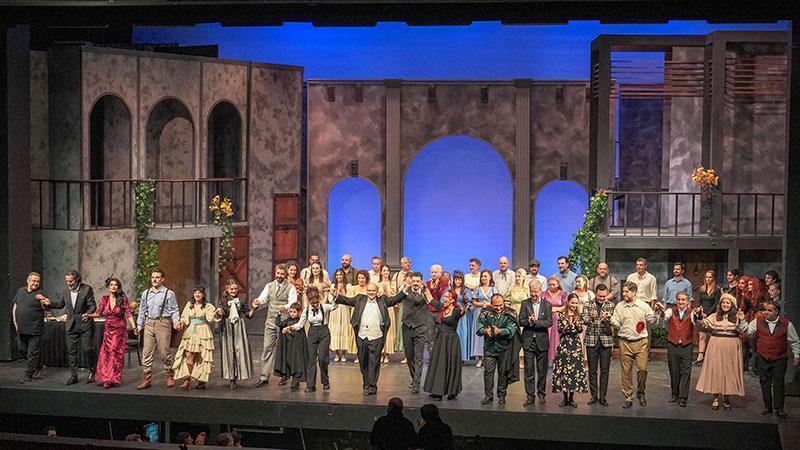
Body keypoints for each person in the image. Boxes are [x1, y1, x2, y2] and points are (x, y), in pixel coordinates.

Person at [334, 282, 407, 395]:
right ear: (366, 291)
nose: (371, 293)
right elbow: (346, 300)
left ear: (377, 292)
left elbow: (394, 299)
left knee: (374, 362)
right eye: (369, 290)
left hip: (376, 336)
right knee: (363, 362)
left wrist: (406, 289)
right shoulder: (360, 299)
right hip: (362, 336)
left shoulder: (383, 300)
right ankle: (366, 383)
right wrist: (336, 296)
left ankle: (372, 386)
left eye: (373, 291)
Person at [739, 301, 799, 419]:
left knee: (778, 383)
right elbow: (748, 331)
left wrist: (796, 355)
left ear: (776, 312)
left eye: (769, 310)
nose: (766, 312)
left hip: (779, 358)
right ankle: (767, 406)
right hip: (763, 356)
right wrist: (742, 320)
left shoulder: (786, 324)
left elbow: (795, 341)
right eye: (765, 310)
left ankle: (779, 408)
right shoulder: (758, 321)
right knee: (764, 382)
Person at [610, 281, 659, 408]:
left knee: (642, 369)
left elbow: (652, 321)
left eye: (626, 291)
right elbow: (616, 322)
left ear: (634, 292)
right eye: (623, 291)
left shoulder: (643, 306)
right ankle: (628, 396)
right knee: (626, 371)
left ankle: (641, 393)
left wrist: (656, 313)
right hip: (625, 342)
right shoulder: (620, 306)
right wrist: (611, 319)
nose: (624, 293)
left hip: (641, 342)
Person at [249, 264, 298, 387]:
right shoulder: (269, 285)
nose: (279, 276)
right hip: (270, 321)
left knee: (283, 350)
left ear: (286, 274)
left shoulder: (290, 287)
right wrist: (258, 301)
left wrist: (285, 307)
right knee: (267, 348)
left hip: (284, 322)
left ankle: (284, 375)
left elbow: (293, 303)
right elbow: (264, 298)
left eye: (282, 274)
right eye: (278, 273)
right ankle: (264, 377)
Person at [695, 293, 745, 410]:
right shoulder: (714, 316)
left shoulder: (737, 316)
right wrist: (699, 317)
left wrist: (742, 320)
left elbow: (743, 330)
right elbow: (703, 325)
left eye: (728, 303)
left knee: (729, 372)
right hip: (716, 345)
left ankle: (727, 398)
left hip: (732, 346)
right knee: (716, 370)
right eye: (723, 302)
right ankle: (715, 398)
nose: (725, 305)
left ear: (732, 305)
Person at [49, 270, 97, 385]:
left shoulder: (87, 289)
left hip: (84, 324)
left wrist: (88, 314)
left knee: (88, 349)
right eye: (67, 281)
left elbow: (92, 306)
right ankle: (73, 375)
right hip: (71, 325)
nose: (69, 284)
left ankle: (93, 371)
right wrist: (49, 303)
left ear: (77, 280)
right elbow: (60, 304)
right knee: (72, 351)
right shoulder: (65, 291)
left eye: (71, 281)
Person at [135, 268, 180, 389]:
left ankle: (169, 375)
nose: (154, 280)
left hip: (163, 323)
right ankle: (147, 378)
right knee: (146, 352)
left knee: (164, 352)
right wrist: (139, 325)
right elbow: (142, 310)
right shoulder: (146, 293)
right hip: (149, 322)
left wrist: (176, 322)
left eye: (157, 277)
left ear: (162, 279)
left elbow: (174, 310)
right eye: (153, 277)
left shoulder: (169, 293)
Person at [88, 277, 136, 388]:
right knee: (106, 353)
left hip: (119, 329)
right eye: (111, 285)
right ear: (108, 287)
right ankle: (106, 377)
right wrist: (89, 315)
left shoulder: (122, 299)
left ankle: (112, 378)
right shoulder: (105, 299)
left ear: (118, 287)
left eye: (116, 285)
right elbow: (98, 313)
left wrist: (134, 327)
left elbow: (128, 313)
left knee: (115, 352)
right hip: (108, 330)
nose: (113, 286)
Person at [174, 287, 223, 390]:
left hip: (203, 331)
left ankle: (201, 380)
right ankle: (187, 380)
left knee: (202, 356)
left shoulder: (208, 306)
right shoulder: (189, 305)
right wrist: (180, 324)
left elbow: (212, 317)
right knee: (189, 355)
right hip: (191, 331)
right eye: (195, 293)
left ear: (203, 295)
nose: (197, 295)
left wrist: (218, 313)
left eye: (199, 293)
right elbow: (184, 318)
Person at [290, 286, 337, 391]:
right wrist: (291, 328)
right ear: (308, 299)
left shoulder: (324, 307)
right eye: (311, 299)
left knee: (322, 359)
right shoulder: (307, 310)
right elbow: (300, 324)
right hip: (312, 334)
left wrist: (334, 296)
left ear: (318, 297)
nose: (314, 301)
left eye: (316, 298)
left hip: (324, 333)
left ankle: (325, 381)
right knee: (311, 360)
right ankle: (311, 385)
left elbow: (335, 306)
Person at [655, 292, 697, 407]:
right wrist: (661, 311)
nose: (681, 302)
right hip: (673, 345)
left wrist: (699, 315)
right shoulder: (671, 311)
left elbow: (696, 321)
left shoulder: (692, 312)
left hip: (686, 345)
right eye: (679, 299)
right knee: (674, 371)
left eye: (683, 300)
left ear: (687, 302)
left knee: (686, 372)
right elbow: (664, 316)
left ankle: (683, 397)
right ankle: (675, 394)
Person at [477, 293, 518, 405]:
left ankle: (502, 395)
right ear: (491, 304)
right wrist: (485, 330)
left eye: (501, 305)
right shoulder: (485, 312)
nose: (499, 308)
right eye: (496, 306)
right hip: (490, 347)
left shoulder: (510, 313)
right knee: (488, 372)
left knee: (503, 372)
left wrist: (501, 331)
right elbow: (479, 328)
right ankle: (488, 396)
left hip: (504, 347)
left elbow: (512, 329)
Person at [423, 290, 463, 400]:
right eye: (444, 297)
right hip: (441, 339)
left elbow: (462, 313)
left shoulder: (456, 310)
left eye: (447, 297)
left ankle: (451, 391)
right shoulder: (442, 308)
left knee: (450, 364)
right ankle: (437, 390)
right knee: (439, 364)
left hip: (451, 341)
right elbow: (430, 299)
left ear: (452, 300)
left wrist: (465, 308)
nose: (444, 299)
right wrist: (424, 288)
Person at [552, 293, 588, 407]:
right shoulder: (562, 314)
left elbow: (580, 330)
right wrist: (573, 326)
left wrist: (575, 326)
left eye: (576, 303)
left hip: (575, 346)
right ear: (568, 302)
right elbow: (561, 329)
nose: (574, 305)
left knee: (574, 371)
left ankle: (571, 398)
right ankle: (564, 398)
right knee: (563, 371)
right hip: (564, 345)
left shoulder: (579, 315)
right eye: (572, 302)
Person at [519, 282, 553, 406]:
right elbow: (520, 321)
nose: (533, 294)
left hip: (542, 341)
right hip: (528, 341)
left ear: (541, 291)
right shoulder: (525, 303)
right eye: (531, 291)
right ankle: (530, 396)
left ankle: (541, 394)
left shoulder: (547, 305)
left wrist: (536, 322)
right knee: (529, 371)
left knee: (542, 371)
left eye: (536, 291)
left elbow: (549, 322)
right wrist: (529, 321)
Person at [581, 284, 615, 406]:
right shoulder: (588, 304)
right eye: (600, 296)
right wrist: (591, 317)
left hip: (606, 340)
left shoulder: (611, 305)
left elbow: (615, 321)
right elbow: (584, 319)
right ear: (595, 293)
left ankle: (603, 397)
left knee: (605, 370)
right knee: (592, 370)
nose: (601, 298)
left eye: (604, 296)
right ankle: (594, 396)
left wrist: (607, 318)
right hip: (592, 340)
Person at [13, 272, 49, 384]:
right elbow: (15, 306)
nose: (36, 283)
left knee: (32, 353)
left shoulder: (41, 293)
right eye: (33, 281)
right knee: (22, 350)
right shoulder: (20, 291)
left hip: (35, 329)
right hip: (21, 328)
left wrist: (44, 300)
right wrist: (15, 322)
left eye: (38, 281)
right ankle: (38, 365)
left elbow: (47, 308)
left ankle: (28, 375)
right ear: (28, 281)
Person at [399, 272, 431, 394]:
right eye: (413, 281)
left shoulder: (425, 293)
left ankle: (416, 384)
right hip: (407, 327)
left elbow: (434, 303)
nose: (416, 283)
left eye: (418, 281)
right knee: (409, 356)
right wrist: (405, 288)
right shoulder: (405, 291)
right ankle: (414, 378)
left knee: (419, 357)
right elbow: (396, 299)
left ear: (421, 282)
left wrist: (426, 291)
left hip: (420, 328)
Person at [219, 279, 253, 390]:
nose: (234, 291)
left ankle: (238, 374)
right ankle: (231, 378)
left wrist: (254, 309)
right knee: (229, 351)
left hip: (239, 326)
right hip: (227, 327)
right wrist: (220, 312)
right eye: (231, 289)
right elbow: (220, 312)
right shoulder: (223, 300)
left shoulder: (241, 300)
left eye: (235, 289)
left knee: (239, 350)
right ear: (227, 289)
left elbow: (247, 314)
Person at [276, 302, 309, 392]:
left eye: (294, 312)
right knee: (288, 361)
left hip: (296, 347)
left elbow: (298, 334)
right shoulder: (288, 320)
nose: (292, 313)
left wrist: (289, 331)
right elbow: (279, 324)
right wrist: (279, 313)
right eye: (291, 311)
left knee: (296, 363)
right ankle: (285, 377)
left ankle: (295, 382)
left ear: (299, 312)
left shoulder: (299, 322)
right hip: (289, 346)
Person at [471, 269, 499, 368]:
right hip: (479, 312)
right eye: (482, 276)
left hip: (490, 313)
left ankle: (489, 357)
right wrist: (481, 304)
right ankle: (480, 358)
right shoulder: (477, 289)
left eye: (485, 276)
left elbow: (497, 301)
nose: (483, 278)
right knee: (479, 334)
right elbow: (474, 301)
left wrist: (489, 305)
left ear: (490, 277)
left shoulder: (494, 289)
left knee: (489, 333)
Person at [696, 270, 721, 365]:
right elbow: (699, 301)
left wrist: (708, 313)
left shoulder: (717, 290)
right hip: (702, 314)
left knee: (710, 336)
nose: (708, 279)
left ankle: (710, 355)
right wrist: (700, 311)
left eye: (710, 277)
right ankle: (700, 356)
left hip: (712, 314)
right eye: (706, 277)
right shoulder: (702, 289)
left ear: (713, 278)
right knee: (702, 335)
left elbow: (716, 304)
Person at [328, 268, 353, 363]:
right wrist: (335, 293)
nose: (339, 276)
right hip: (335, 310)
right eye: (337, 275)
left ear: (343, 276)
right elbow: (330, 300)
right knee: (336, 330)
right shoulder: (332, 285)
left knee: (344, 329)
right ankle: (336, 353)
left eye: (341, 274)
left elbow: (349, 299)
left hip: (344, 309)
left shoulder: (348, 286)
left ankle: (343, 353)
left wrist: (343, 291)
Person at [542, 276, 568, 363]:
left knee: (557, 338)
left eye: (553, 284)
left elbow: (565, 306)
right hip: (547, 318)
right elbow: (542, 305)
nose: (551, 286)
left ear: (558, 284)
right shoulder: (544, 293)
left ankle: (558, 358)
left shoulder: (563, 294)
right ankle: (547, 359)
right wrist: (549, 310)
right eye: (550, 285)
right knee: (547, 338)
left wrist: (554, 309)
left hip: (558, 319)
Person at [391, 257, 413, 360]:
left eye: (409, 262)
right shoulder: (396, 275)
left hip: (411, 307)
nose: (408, 264)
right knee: (400, 329)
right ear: (401, 264)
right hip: (400, 306)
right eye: (406, 262)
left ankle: (409, 355)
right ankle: (404, 353)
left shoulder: (414, 274)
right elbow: (394, 289)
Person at [450, 272, 473, 363]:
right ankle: (452, 356)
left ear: (462, 280)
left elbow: (470, 301)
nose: (458, 281)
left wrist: (465, 307)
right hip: (452, 315)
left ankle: (462, 356)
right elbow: (443, 299)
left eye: (459, 280)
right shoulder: (450, 289)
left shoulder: (466, 290)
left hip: (462, 316)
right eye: (456, 279)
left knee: (462, 336)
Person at [377, 264, 397, 364]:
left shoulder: (392, 283)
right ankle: (380, 353)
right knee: (380, 330)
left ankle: (387, 354)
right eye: (384, 270)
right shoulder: (377, 284)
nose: (385, 272)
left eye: (387, 271)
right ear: (381, 272)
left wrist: (387, 288)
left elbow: (393, 296)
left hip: (389, 309)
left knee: (389, 331)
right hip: (380, 309)